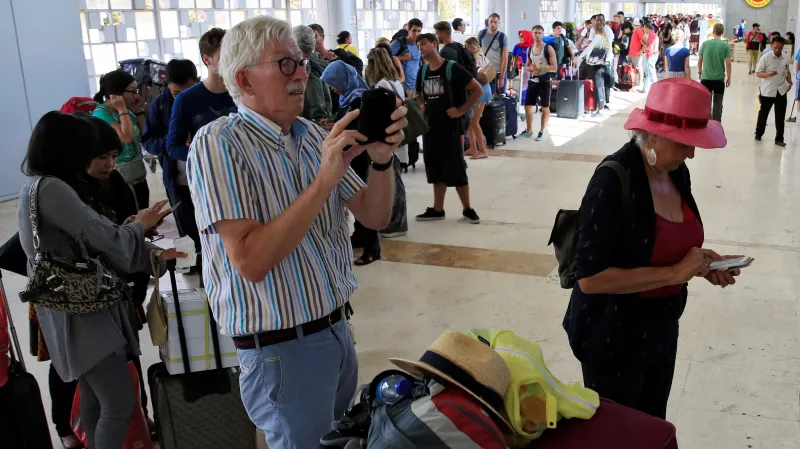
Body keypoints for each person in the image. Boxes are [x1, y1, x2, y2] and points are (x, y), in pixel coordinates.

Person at [186, 16, 406, 448]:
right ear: (244, 78)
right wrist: (322, 181)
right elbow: (250, 260)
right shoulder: (218, 144)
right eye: (286, 64)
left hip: (335, 330)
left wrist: (381, 159)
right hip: (282, 350)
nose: (303, 73)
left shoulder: (308, 136)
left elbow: (374, 217)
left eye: (302, 62)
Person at [563, 77, 732, 420]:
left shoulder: (675, 172)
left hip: (661, 328)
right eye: (685, 142)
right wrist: (674, 273)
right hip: (613, 336)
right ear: (652, 134)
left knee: (652, 424)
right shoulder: (613, 179)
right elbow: (590, 279)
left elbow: (664, 239)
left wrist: (699, 262)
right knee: (620, 432)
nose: (692, 153)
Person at [18, 112, 185, 449]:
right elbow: (105, 239)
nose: (102, 161)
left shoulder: (38, 187)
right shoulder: (53, 188)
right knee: (119, 402)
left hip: (72, 308)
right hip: (83, 313)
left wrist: (133, 231)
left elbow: (98, 236)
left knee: (95, 401)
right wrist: (140, 225)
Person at [166, 28, 237, 267]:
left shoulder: (244, 92)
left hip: (242, 182)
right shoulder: (187, 99)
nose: (232, 59)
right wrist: (204, 154)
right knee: (212, 254)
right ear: (207, 60)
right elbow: (173, 146)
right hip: (206, 186)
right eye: (224, 54)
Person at [414, 33, 482, 224]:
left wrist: (461, 111)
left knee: (456, 167)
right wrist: (422, 104)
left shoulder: (452, 68)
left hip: (450, 128)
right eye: (418, 44)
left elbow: (477, 89)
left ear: (435, 44)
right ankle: (438, 209)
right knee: (434, 168)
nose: (420, 47)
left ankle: (467, 208)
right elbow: (419, 93)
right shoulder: (423, 70)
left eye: (424, 43)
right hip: (430, 127)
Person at [321, 61, 382, 265]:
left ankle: (372, 247)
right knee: (352, 198)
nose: (333, 88)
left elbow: (359, 130)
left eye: (333, 83)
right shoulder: (348, 97)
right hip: (349, 157)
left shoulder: (359, 100)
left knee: (362, 199)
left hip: (359, 156)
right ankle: (360, 236)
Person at [365, 48, 409, 239]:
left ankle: (395, 224)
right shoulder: (396, 82)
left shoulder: (382, 85)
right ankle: (398, 222)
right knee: (396, 181)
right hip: (397, 138)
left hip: (390, 140)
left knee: (394, 183)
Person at [142, 59, 198, 208]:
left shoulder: (206, 102)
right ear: (167, 84)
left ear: (197, 81)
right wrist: (174, 139)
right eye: (176, 94)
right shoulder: (159, 105)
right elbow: (149, 142)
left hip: (208, 179)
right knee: (186, 227)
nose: (182, 99)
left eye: (187, 92)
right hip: (177, 182)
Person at [91, 70, 149, 210]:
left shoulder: (126, 111)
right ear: (116, 93)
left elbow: (144, 133)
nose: (136, 96)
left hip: (137, 173)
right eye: (133, 91)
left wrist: (137, 110)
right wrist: (123, 109)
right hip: (122, 178)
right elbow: (127, 138)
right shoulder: (101, 114)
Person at [392, 18, 423, 166]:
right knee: (405, 123)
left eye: (418, 31)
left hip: (416, 87)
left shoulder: (419, 44)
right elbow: (386, 58)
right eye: (413, 30)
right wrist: (403, 58)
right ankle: (404, 159)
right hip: (402, 87)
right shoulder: (399, 43)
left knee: (415, 121)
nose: (416, 34)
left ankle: (412, 156)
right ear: (408, 30)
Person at [755, 36, 793, 147]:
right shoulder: (765, 58)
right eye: (776, 47)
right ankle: (758, 133)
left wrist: (790, 82)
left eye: (780, 48)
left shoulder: (785, 58)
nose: (777, 50)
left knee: (780, 116)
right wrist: (768, 74)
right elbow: (758, 73)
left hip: (781, 90)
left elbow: (787, 72)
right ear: (772, 46)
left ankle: (779, 138)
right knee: (763, 114)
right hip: (768, 91)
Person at [521, 25, 557, 138]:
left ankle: (541, 131)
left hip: (544, 81)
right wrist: (530, 68)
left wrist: (541, 67)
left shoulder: (548, 48)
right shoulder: (530, 49)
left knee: (545, 107)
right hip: (533, 81)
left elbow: (554, 67)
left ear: (543, 34)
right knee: (527, 106)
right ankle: (529, 130)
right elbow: (526, 66)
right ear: (532, 34)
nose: (537, 35)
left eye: (539, 33)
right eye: (535, 33)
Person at [294, 24, 333, 127]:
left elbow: (315, 97)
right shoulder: (319, 62)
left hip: (313, 124)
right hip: (323, 119)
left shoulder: (307, 65)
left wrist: (316, 118)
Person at [576, 20, 613, 117]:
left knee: (598, 88)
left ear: (596, 29)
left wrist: (579, 58)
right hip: (604, 65)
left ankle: (600, 110)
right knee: (600, 87)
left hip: (596, 66)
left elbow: (589, 49)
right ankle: (599, 108)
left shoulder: (598, 37)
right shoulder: (606, 38)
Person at [464, 36, 492, 160]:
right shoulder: (482, 57)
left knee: (474, 122)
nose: (465, 49)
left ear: (472, 48)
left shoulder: (476, 60)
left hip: (480, 92)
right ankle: (473, 148)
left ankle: (483, 150)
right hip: (482, 90)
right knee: (471, 123)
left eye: (467, 47)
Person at [698, 23, 732, 122]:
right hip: (719, 79)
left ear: (713, 32)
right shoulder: (725, 45)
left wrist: (700, 72)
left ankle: (706, 122)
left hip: (706, 78)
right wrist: (729, 77)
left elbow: (700, 60)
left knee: (706, 102)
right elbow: (728, 63)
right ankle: (716, 124)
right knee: (718, 103)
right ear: (722, 32)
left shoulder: (705, 44)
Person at [480, 13, 510, 95]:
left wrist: (502, 77)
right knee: (486, 97)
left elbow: (505, 59)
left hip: (498, 72)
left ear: (499, 23)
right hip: (485, 71)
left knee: (499, 98)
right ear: (488, 22)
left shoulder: (502, 37)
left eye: (495, 22)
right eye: (491, 22)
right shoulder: (481, 34)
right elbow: (478, 51)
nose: (493, 24)